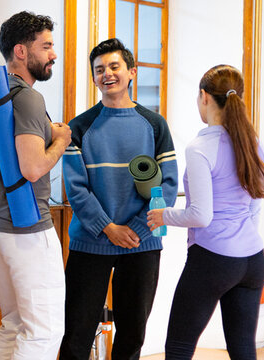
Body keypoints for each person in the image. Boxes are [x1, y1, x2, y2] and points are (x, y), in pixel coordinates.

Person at [60, 38, 179, 359]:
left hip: (142, 245)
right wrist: (108, 227)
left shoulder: (154, 124)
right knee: (75, 335)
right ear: (94, 77)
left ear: (131, 73)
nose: (107, 74)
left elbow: (167, 185)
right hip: (91, 241)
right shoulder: (79, 127)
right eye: (99, 69)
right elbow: (76, 188)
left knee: (132, 336)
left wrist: (138, 230)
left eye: (114, 66)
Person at [147, 64, 264, 360]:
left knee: (178, 347)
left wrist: (164, 216)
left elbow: (201, 215)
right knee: (242, 349)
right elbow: (255, 203)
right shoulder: (252, 143)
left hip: (213, 260)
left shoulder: (200, 147)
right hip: (252, 260)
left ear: (204, 97)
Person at [0, 11, 72, 360]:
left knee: (15, 322)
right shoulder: (28, 98)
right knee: (44, 331)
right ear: (21, 51)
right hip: (27, 227)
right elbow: (32, 168)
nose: (53, 54)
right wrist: (60, 139)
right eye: (46, 46)